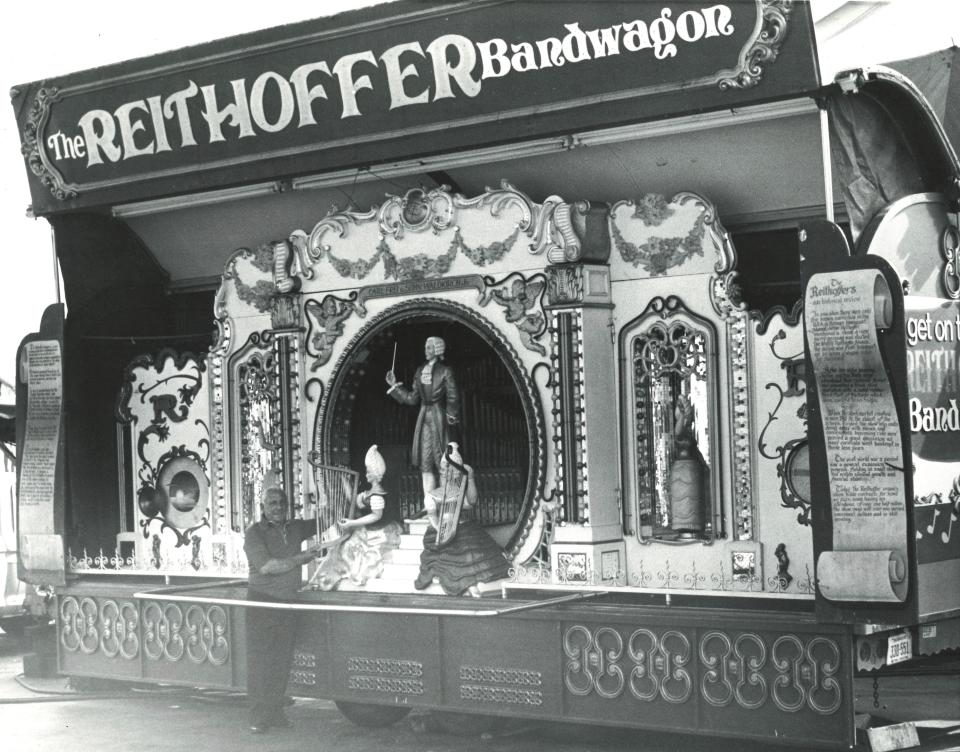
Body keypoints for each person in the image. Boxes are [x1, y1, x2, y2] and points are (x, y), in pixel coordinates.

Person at [243, 485, 323, 734]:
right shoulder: (254, 533)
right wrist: (304, 557)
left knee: (281, 662)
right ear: (263, 508)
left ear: (287, 506)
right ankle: (258, 717)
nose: (277, 508)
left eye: (281, 503)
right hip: (262, 603)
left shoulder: (295, 527)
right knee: (261, 663)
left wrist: (358, 497)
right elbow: (267, 567)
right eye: (272, 504)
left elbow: (327, 520)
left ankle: (275, 713)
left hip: (287, 604)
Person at [414, 443, 510, 597]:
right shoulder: (432, 495)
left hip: (464, 528)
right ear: (440, 473)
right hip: (441, 533)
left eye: (452, 472)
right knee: (461, 551)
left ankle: (480, 583)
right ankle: (469, 585)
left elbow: (470, 503)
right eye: (444, 472)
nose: (447, 475)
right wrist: (442, 530)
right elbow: (433, 517)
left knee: (473, 545)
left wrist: (470, 478)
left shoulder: (457, 492)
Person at [313, 445, 402, 590]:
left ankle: (329, 579)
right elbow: (353, 500)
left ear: (375, 473)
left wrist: (352, 522)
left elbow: (376, 516)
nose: (366, 474)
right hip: (367, 530)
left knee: (348, 547)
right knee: (340, 545)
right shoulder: (370, 491)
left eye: (368, 471)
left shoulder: (378, 493)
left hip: (379, 531)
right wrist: (343, 479)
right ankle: (324, 579)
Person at [385, 336, 461, 496]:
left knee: (443, 460)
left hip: (439, 417)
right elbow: (413, 399)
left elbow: (453, 396)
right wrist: (394, 386)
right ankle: (430, 505)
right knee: (425, 463)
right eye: (426, 347)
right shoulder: (420, 370)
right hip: (423, 418)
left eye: (429, 347)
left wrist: (451, 416)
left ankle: (446, 504)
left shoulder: (445, 371)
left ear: (438, 349)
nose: (426, 350)